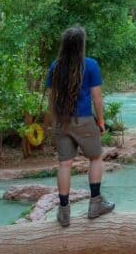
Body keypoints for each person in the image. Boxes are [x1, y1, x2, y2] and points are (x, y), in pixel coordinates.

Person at [46, 26, 114, 227]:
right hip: (84, 119)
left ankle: (64, 212)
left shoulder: (55, 66)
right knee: (95, 158)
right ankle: (95, 204)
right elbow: (97, 98)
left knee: (65, 164)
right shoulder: (91, 65)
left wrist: (54, 123)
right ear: (81, 45)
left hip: (61, 121)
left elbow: (51, 99)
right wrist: (100, 121)